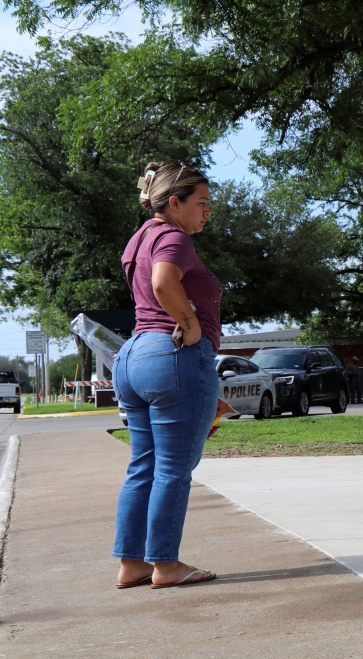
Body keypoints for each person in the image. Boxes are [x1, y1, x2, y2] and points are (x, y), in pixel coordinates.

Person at [113, 161, 219, 590]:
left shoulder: (139, 238)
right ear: (174, 203)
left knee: (143, 466)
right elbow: (163, 282)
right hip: (171, 353)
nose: (207, 211)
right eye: (202, 203)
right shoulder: (173, 236)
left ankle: (132, 563)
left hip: (134, 356)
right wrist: (191, 325)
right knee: (173, 468)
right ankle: (166, 565)